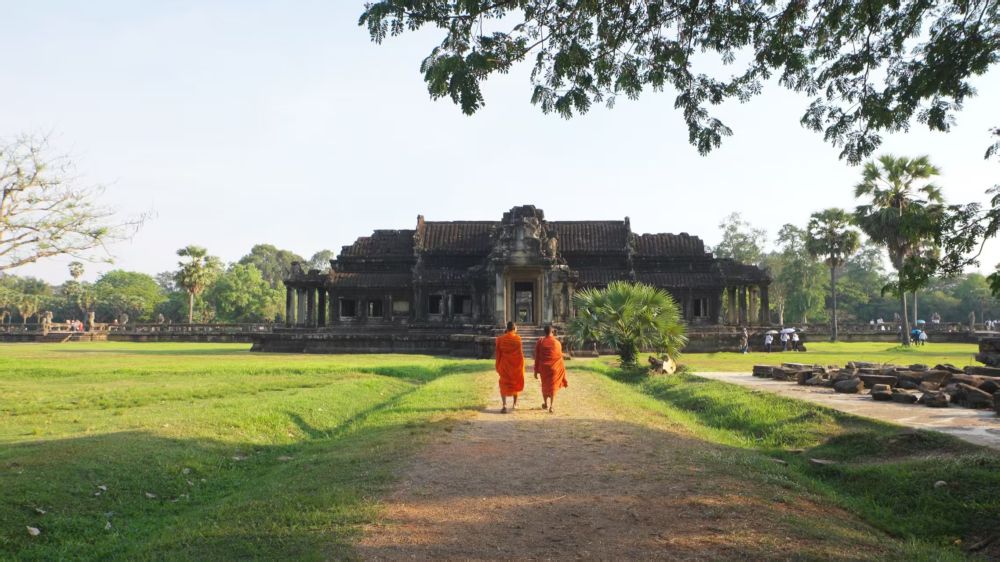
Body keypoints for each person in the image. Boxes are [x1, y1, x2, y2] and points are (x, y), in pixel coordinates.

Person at [534, 325, 568, 413]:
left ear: (544, 332)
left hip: (544, 369)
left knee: (545, 385)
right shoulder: (557, 343)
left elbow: (537, 357)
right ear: (552, 332)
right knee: (553, 386)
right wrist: (561, 368)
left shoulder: (540, 342)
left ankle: (545, 403)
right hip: (554, 368)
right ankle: (551, 406)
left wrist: (535, 371)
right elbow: (559, 357)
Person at [494, 321, 525, 414]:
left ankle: (504, 405)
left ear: (507, 329)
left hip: (504, 366)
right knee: (515, 383)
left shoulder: (500, 339)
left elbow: (498, 354)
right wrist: (521, 366)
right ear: (514, 329)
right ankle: (514, 404)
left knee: (503, 384)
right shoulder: (518, 339)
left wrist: (498, 365)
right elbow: (520, 354)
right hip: (515, 366)